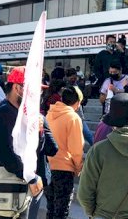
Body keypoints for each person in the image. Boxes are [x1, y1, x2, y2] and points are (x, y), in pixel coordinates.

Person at [0, 67, 43, 219]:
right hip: (12, 180)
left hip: (22, 178)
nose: (35, 95)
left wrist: (39, 131)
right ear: (17, 88)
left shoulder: (20, 111)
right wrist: (29, 177)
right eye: (31, 90)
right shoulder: (4, 112)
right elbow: (5, 152)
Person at [45, 86, 85, 219]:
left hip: (48, 166)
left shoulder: (49, 114)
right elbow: (76, 148)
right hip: (64, 168)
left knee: (50, 209)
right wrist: (78, 167)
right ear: (78, 102)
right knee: (61, 211)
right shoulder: (72, 117)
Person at [28, 115, 59, 219]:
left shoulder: (4, 111)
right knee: (31, 212)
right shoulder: (38, 118)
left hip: (8, 173)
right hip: (34, 173)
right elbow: (52, 149)